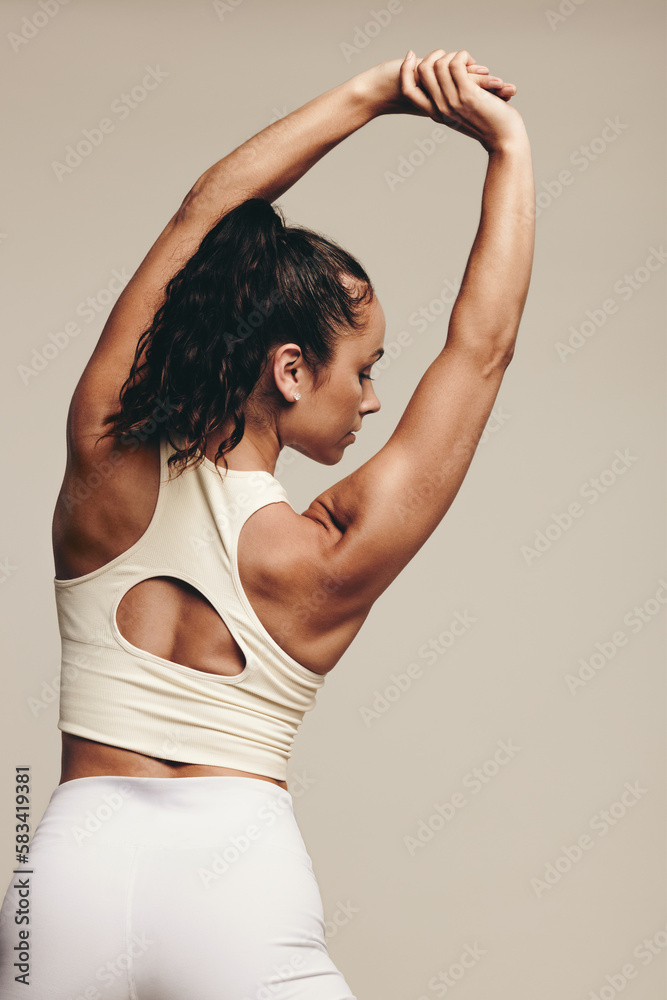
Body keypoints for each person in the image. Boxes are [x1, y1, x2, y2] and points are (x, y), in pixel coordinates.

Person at [0, 48, 534, 999]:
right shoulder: (324, 554)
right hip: (234, 883)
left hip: (68, 879)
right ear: (291, 371)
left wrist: (376, 91)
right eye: (363, 368)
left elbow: (200, 213)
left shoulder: (102, 457)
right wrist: (508, 148)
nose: (373, 399)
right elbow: (480, 352)